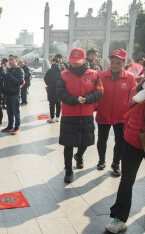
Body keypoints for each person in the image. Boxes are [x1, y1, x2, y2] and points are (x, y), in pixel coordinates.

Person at [106, 53, 145, 234]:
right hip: (132, 142)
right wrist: (127, 132)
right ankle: (119, 218)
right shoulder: (136, 90)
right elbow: (129, 113)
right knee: (126, 180)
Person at [56, 47, 104, 183]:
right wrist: (74, 100)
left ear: (84, 60)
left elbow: (100, 91)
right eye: (72, 61)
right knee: (68, 143)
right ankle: (68, 170)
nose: (74, 64)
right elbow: (60, 92)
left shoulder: (93, 74)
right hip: (69, 114)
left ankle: (79, 156)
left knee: (85, 141)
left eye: (77, 61)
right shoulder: (64, 74)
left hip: (86, 113)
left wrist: (87, 98)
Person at [96, 48, 136, 176]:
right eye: (113, 62)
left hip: (122, 117)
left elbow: (133, 96)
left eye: (118, 63)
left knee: (120, 141)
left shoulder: (130, 78)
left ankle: (116, 163)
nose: (114, 65)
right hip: (103, 113)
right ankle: (101, 160)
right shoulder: (101, 76)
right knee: (102, 139)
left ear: (124, 63)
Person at [1, 54, 24, 135]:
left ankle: (17, 127)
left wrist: (9, 76)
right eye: (9, 60)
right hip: (8, 94)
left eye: (12, 59)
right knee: (9, 111)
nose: (10, 61)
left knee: (16, 112)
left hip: (15, 94)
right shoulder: (9, 70)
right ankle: (10, 126)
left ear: (16, 60)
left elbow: (20, 82)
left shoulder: (19, 70)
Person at [44, 58, 62, 123]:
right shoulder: (61, 70)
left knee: (51, 103)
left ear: (53, 62)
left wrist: (49, 84)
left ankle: (52, 118)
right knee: (58, 103)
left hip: (51, 89)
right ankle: (57, 117)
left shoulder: (49, 71)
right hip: (59, 89)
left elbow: (46, 79)